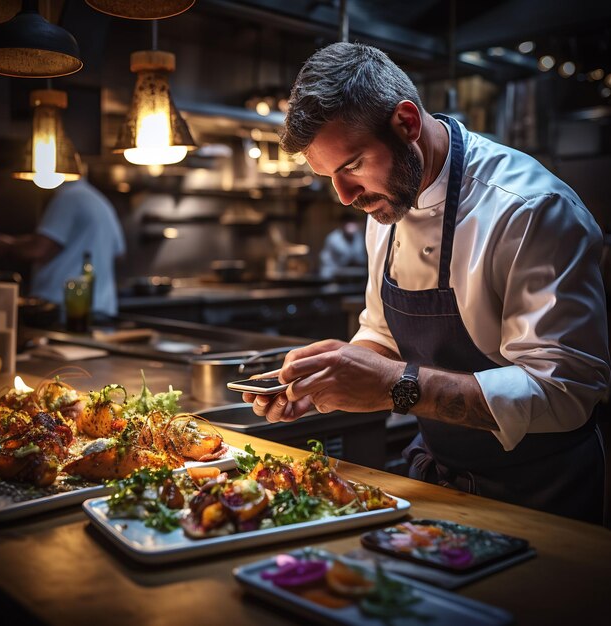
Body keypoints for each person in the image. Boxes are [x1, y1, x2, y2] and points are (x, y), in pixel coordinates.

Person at [243, 42, 610, 524]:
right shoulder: (387, 203)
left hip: (544, 492)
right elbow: (383, 333)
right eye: (329, 176)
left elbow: (566, 392)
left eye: (351, 166)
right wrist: (330, 376)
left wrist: (396, 386)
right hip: (439, 481)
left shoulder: (530, 210)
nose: (345, 196)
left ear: (407, 124)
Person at [0, 174, 126, 318]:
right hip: (102, 307)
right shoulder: (100, 201)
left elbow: (38, 249)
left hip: (62, 308)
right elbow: (119, 254)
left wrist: (5, 245)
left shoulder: (69, 198)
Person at [319, 212, 368, 280]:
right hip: (335, 276)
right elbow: (327, 261)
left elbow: (362, 258)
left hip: (357, 275)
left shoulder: (359, 237)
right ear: (342, 224)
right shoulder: (333, 239)